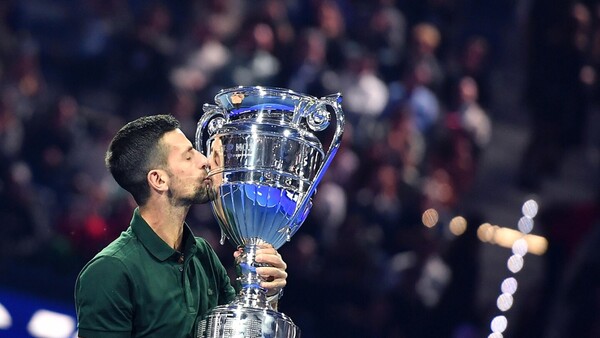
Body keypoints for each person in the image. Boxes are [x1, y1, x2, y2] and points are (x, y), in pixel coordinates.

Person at [74, 114, 288, 337]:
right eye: (188, 157)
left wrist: (266, 294)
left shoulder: (203, 255)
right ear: (158, 180)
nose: (204, 161)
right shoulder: (109, 270)